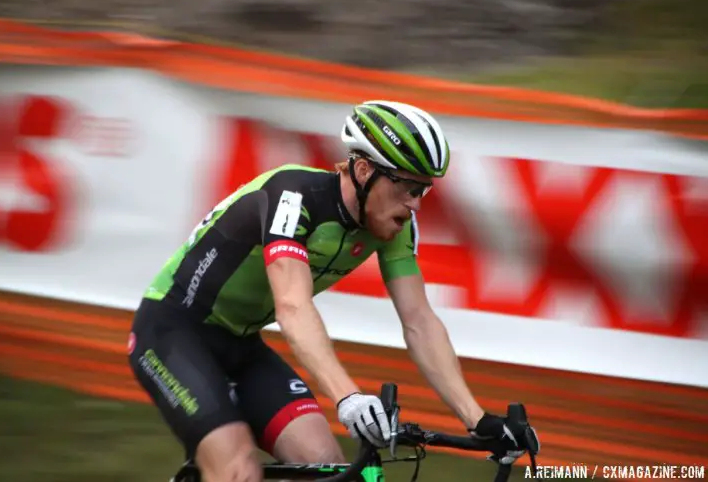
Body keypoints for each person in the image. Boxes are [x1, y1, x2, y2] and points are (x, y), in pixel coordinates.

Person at [127, 100, 538, 482]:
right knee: (237, 466)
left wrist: (477, 419)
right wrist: (349, 398)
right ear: (363, 172)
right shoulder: (293, 196)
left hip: (241, 346)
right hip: (171, 332)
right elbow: (292, 305)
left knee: (330, 466)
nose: (414, 205)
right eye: (407, 188)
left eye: (422, 191)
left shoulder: (394, 226)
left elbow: (419, 321)